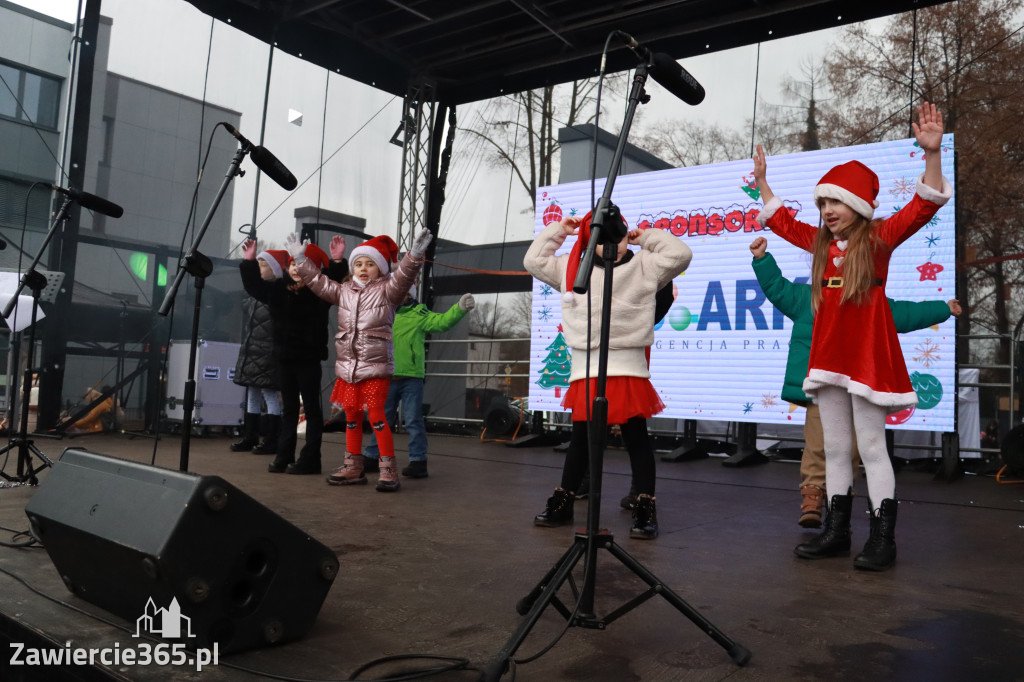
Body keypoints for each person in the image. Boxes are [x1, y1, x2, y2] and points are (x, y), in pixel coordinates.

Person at [752, 101, 952, 570]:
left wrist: (932, 153)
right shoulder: (821, 245)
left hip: (866, 360)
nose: (827, 211)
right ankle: (836, 532)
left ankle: (883, 539)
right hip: (827, 360)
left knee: (872, 449)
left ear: (858, 204)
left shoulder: (878, 239)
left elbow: (923, 207)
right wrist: (762, 182)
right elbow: (783, 223)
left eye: (835, 201)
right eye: (822, 203)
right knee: (837, 449)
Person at [749, 235, 961, 527]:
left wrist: (943, 308)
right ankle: (812, 496)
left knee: (849, 450)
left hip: (857, 386)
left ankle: (840, 506)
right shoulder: (808, 298)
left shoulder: (869, 302)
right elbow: (777, 288)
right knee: (818, 444)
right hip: (821, 387)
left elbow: (903, 314)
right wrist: (762, 259)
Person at [524, 209, 692, 539]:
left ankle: (645, 507)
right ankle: (564, 502)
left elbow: (681, 254)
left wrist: (646, 237)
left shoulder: (644, 264)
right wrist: (561, 230)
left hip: (627, 368)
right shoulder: (573, 268)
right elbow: (534, 260)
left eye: (618, 236)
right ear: (590, 242)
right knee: (581, 440)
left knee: (636, 438)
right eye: (601, 239)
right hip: (587, 370)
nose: (612, 245)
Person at [289, 228, 433, 492]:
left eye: (370, 263)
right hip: (349, 369)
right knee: (352, 417)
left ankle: (388, 469)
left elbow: (404, 277)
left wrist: (413, 256)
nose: (363, 268)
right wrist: (301, 260)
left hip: (375, 368)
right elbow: (319, 283)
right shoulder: (344, 290)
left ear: (381, 268)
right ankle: (353, 466)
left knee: (377, 417)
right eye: (358, 264)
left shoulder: (388, 291)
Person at [240, 235, 347, 475]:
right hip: (284, 358)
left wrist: (338, 261)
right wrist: (248, 262)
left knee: (311, 410)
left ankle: (311, 459)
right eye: (293, 264)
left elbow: (335, 281)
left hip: (308, 358)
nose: (296, 269)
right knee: (288, 409)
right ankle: (284, 455)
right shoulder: (278, 289)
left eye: (302, 264)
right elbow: (255, 286)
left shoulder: (319, 291)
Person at [362, 284, 476, 479]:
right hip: (387, 376)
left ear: (410, 294)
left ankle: (417, 460)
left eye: (403, 291)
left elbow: (441, 322)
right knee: (381, 419)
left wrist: (459, 309)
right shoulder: (382, 313)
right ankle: (373, 455)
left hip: (411, 377)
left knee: (412, 419)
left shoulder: (419, 313)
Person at [231, 249, 287, 455]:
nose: (260, 269)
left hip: (268, 352)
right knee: (252, 393)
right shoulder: (252, 294)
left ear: (275, 269)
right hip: (252, 350)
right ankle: (250, 436)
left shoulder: (277, 293)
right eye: (259, 265)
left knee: (269, 394)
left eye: (263, 265)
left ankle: (272, 439)